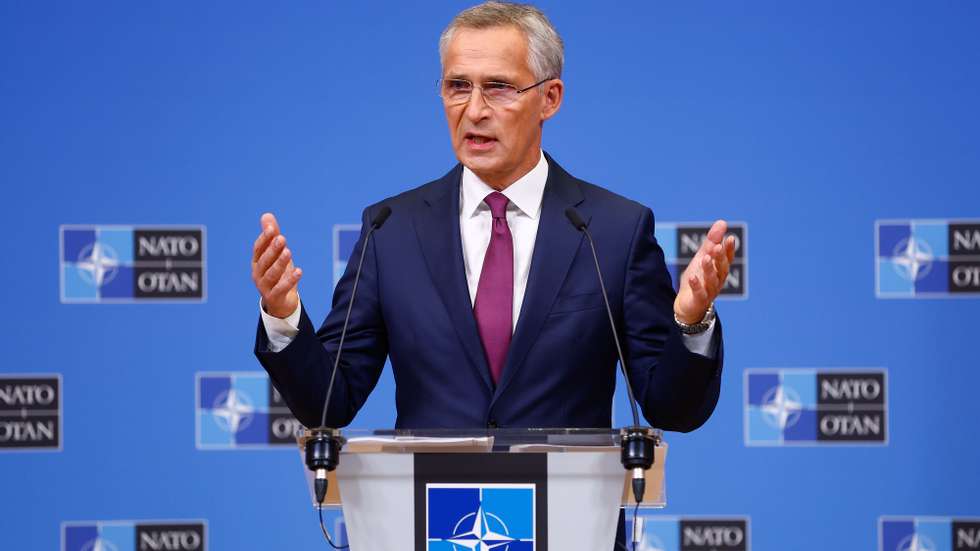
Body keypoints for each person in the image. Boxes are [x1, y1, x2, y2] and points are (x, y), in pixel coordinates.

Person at [251, 1, 735, 433]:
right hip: (434, 524)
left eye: (498, 87)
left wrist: (690, 323)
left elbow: (672, 410)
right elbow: (328, 402)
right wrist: (283, 317)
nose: (474, 110)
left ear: (550, 98)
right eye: (458, 86)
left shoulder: (613, 231)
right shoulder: (390, 230)